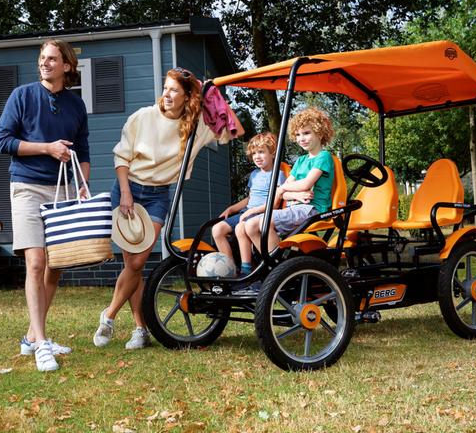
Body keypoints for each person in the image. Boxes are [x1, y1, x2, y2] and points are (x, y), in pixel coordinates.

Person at [93, 67, 238, 349]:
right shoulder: (143, 117)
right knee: (131, 265)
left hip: (158, 195)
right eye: (166, 88)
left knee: (137, 262)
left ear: (187, 96)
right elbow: (121, 157)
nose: (167, 94)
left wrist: (211, 95)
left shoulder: (196, 127)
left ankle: (108, 315)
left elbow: (234, 129)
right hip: (128, 189)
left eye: (175, 90)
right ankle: (140, 329)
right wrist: (125, 194)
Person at [0, 39, 90, 372]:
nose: (45, 63)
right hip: (28, 187)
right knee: (35, 262)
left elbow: (84, 153)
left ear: (67, 66)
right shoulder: (22, 96)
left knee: (55, 266)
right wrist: (47, 148)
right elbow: (2, 141)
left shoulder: (76, 105)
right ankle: (42, 345)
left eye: (52, 59)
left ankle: (33, 336)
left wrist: (82, 186)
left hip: (64, 189)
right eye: (42, 58)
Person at [238, 107, 335, 269]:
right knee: (250, 225)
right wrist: (292, 194)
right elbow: (283, 193)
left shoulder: (323, 157)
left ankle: (281, 268)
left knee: (263, 222)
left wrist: (284, 189)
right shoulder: (300, 161)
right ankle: (272, 264)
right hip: (297, 206)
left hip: (313, 209)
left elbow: (305, 185)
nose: (301, 138)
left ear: (320, 132)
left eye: (306, 133)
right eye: (298, 135)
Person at [211, 132, 285, 274]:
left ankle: (247, 269)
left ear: (273, 154)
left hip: (261, 214)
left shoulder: (278, 175)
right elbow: (249, 199)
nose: (257, 156)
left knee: (240, 228)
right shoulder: (254, 174)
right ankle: (231, 269)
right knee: (217, 230)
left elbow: (275, 204)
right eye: (254, 153)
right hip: (246, 212)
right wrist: (231, 209)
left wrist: (252, 211)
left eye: (262, 152)